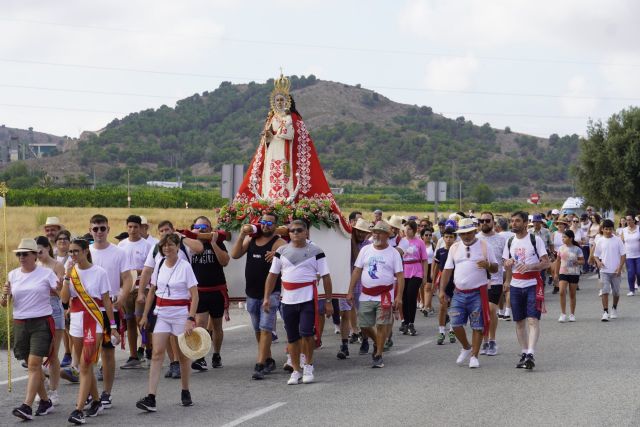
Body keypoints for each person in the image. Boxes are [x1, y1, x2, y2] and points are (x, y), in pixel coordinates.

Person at [233, 72, 350, 233]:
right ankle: (270, 202)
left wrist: (281, 130)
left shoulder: (292, 118)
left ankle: (284, 205)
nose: (279, 102)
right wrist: (267, 137)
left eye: (282, 100)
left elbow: (291, 135)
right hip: (273, 151)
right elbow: (266, 141)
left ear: (288, 101)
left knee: (284, 177)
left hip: (285, 153)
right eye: (277, 100)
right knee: (270, 176)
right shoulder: (271, 118)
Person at [264, 219, 333, 384]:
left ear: (306, 232)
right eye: (293, 230)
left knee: (307, 334)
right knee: (292, 337)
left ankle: (308, 366)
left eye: (299, 230)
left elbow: (326, 277)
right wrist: (266, 297)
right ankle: (296, 370)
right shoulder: (281, 251)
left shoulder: (316, 251)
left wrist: (329, 301)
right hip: (287, 300)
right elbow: (272, 276)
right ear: (289, 233)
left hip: (308, 298)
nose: (296, 233)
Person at [136, 234, 200, 412]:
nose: (167, 248)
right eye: (164, 245)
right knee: (157, 353)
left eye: (170, 245)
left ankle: (185, 390)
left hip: (180, 314)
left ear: (178, 246)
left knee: (183, 355)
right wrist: (145, 315)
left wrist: (190, 318)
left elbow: (194, 295)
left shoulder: (185, 266)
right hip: (162, 314)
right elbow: (152, 291)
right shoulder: (160, 263)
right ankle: (151, 397)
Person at [60, 238, 118, 425]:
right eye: (70, 252)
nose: (73, 255)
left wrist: (113, 326)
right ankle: (96, 401)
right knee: (85, 366)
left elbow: (106, 301)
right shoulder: (71, 272)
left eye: (76, 251)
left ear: (86, 251)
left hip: (95, 320)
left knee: (85, 365)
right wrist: (67, 277)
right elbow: (64, 300)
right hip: (76, 320)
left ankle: (78, 410)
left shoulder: (99, 272)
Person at [3, 239, 58, 420]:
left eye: (25, 254)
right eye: (19, 254)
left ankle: (26, 406)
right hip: (20, 324)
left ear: (35, 255)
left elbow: (62, 294)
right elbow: (5, 303)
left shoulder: (46, 273)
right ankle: (44, 400)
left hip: (41, 323)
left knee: (34, 365)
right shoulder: (12, 275)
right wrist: (4, 296)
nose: (21, 257)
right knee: (33, 367)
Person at [230, 213, 286, 379]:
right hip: (251, 293)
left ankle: (260, 364)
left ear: (275, 226)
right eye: (263, 222)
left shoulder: (279, 242)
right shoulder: (252, 240)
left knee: (266, 328)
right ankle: (268, 358)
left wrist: (277, 255)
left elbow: (286, 257)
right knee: (257, 329)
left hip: (270, 294)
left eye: (270, 223)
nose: (266, 225)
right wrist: (241, 235)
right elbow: (235, 254)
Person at [88, 214, 134, 409]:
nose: (99, 232)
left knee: (107, 352)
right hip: (88, 310)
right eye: (95, 229)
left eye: (103, 228)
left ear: (108, 229)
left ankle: (106, 392)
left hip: (109, 308)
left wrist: (121, 299)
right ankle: (91, 392)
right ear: (90, 230)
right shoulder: (86, 251)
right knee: (88, 354)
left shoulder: (118, 253)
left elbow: (128, 278)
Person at [439, 219, 498, 369]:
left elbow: (495, 268)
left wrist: (488, 265)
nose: (466, 236)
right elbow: (447, 270)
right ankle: (466, 347)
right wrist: (441, 290)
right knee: (455, 323)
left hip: (478, 292)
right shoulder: (454, 247)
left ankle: (474, 356)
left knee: (478, 326)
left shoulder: (485, 246)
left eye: (469, 233)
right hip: (458, 292)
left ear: (474, 232)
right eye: (463, 233)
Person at [347, 221, 404, 368]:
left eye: (380, 232)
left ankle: (378, 355)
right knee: (364, 325)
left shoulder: (393, 253)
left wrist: (399, 297)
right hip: (366, 294)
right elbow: (357, 271)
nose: (376, 234)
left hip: (385, 294)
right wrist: (350, 291)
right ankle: (378, 342)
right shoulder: (365, 250)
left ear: (387, 235)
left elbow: (400, 276)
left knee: (381, 324)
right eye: (374, 232)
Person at [503, 211, 550, 370]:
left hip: (532, 283)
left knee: (532, 320)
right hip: (516, 285)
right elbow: (506, 262)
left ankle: (531, 353)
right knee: (519, 321)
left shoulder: (534, 240)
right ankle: (524, 352)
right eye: (512, 221)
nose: (513, 223)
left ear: (525, 223)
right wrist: (508, 275)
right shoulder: (510, 241)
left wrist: (530, 266)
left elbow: (546, 263)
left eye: (517, 221)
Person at [189, 216, 230, 371]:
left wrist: (213, 243)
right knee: (200, 325)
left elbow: (225, 261)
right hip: (199, 291)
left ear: (210, 227)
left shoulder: (218, 242)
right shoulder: (191, 244)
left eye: (205, 227)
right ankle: (200, 357)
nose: (202, 230)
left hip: (217, 290)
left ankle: (216, 354)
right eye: (198, 227)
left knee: (217, 326)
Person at [119, 215, 153, 369]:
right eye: (130, 227)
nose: (132, 230)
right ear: (127, 227)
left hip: (142, 288)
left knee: (142, 321)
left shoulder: (147, 246)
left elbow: (149, 269)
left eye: (135, 227)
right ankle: (133, 355)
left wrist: (136, 271)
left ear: (141, 228)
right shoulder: (121, 245)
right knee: (129, 321)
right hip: (126, 289)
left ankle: (149, 348)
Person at [34, 236, 64, 406]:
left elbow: (62, 292)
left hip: (54, 309)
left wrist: (55, 287)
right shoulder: (35, 266)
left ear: (48, 248)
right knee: (39, 353)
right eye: (35, 252)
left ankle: (53, 391)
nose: (38, 255)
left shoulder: (57, 266)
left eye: (41, 251)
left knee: (52, 353)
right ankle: (43, 386)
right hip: (38, 309)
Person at [477, 212, 506, 356]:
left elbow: (506, 261)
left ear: (493, 222)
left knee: (491, 310)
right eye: (481, 220)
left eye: (487, 220)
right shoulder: (475, 239)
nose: (484, 223)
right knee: (482, 312)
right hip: (478, 281)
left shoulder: (501, 240)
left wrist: (508, 280)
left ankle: (492, 340)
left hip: (495, 280)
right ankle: (484, 341)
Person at [398, 220, 428, 336]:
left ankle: (411, 322)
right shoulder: (402, 241)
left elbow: (424, 260)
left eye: (409, 229)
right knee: (404, 298)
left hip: (416, 271)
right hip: (404, 270)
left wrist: (424, 276)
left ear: (414, 230)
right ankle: (405, 322)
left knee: (411, 296)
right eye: (405, 228)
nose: (406, 231)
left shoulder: (419, 242)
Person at [594, 219, 626, 321]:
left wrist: (620, 267)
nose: (608, 231)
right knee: (604, 291)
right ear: (602, 229)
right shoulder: (600, 240)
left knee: (616, 292)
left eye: (610, 229)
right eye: (606, 229)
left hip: (616, 271)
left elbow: (623, 255)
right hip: (604, 271)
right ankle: (605, 312)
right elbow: (595, 255)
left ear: (613, 229)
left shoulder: (617, 240)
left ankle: (614, 308)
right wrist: (598, 262)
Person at [432, 227, 457, 345]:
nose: (448, 239)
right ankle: (441, 331)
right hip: (443, 281)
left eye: (451, 237)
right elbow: (436, 266)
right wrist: (433, 280)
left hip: (455, 281)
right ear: (443, 238)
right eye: (446, 237)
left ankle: (452, 330)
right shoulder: (440, 251)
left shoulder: (457, 251)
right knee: (443, 307)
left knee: (453, 307)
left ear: (455, 238)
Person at [553, 230, 584, 322]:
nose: (563, 239)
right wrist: (555, 273)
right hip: (563, 272)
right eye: (562, 237)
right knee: (562, 292)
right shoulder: (561, 248)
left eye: (565, 237)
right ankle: (563, 314)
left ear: (571, 238)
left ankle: (572, 314)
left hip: (574, 273)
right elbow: (557, 261)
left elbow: (583, 261)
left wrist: (577, 262)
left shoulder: (577, 249)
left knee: (572, 294)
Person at [621, 213, 640, 296]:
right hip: (629, 256)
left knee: (639, 272)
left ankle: (639, 285)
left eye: (629, 220)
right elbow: (621, 242)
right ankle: (631, 290)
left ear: (633, 220)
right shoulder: (624, 230)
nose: (628, 221)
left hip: (639, 255)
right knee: (631, 273)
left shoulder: (639, 228)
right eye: (626, 220)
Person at [550, 217, 570, 294]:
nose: (560, 225)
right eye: (558, 224)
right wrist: (552, 253)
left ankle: (563, 286)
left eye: (562, 224)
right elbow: (551, 244)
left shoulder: (566, 234)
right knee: (553, 270)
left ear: (565, 225)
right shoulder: (554, 234)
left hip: (564, 254)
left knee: (563, 271)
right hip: (555, 254)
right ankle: (556, 286)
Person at [420, 227, 436, 316]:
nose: (428, 236)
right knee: (422, 287)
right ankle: (428, 305)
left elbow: (436, 258)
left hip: (431, 267)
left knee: (428, 287)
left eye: (430, 235)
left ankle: (426, 308)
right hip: (421, 267)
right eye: (426, 235)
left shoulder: (433, 245)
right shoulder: (419, 245)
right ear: (422, 236)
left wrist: (434, 270)